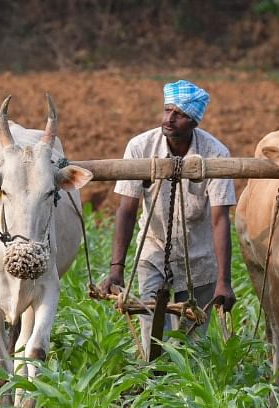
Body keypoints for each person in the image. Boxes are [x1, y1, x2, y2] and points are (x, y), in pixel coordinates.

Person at [97, 79, 237, 355]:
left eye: (180, 114)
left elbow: (220, 219)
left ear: (195, 122)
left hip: (198, 252)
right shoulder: (140, 148)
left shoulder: (216, 154)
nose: (169, 119)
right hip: (153, 246)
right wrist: (117, 268)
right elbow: (127, 209)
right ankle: (150, 385)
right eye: (167, 110)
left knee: (191, 340)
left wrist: (224, 281)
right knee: (151, 331)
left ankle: (181, 393)